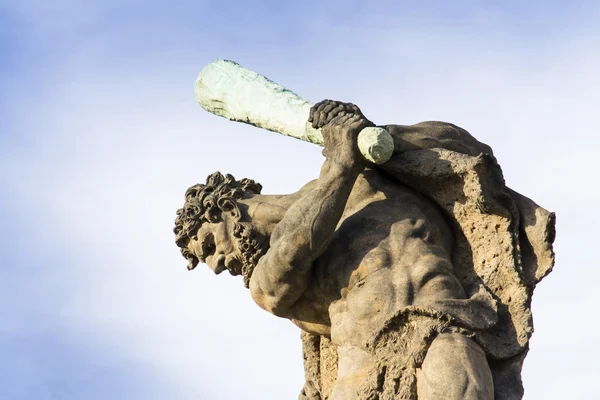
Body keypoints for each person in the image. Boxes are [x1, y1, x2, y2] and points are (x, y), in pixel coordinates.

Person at [174, 100, 496, 399]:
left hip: (440, 321)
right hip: (358, 374)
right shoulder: (264, 280)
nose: (217, 265)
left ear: (227, 209)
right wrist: (342, 162)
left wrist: (375, 134)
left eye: (210, 245)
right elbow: (294, 248)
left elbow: (464, 150)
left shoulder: (369, 175)